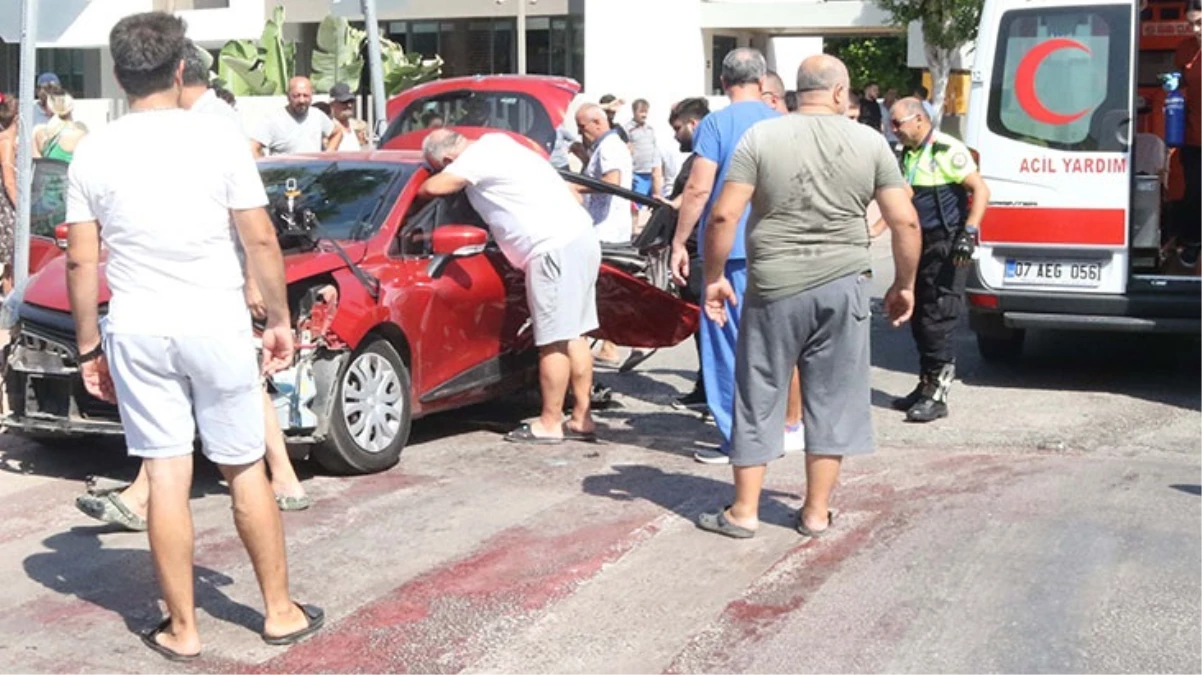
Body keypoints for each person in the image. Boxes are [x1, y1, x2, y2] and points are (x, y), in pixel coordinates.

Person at [64, 12, 322, 659]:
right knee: (243, 467)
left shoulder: (93, 149)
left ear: (121, 76)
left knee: (167, 472)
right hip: (215, 322)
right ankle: (279, 610)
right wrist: (279, 319)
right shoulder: (218, 140)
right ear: (181, 69)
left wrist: (89, 345)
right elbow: (260, 237)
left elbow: (80, 260)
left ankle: (182, 628)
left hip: (140, 328)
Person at [695, 54, 921, 540]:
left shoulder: (762, 137)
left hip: (773, 285)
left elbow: (722, 215)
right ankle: (815, 513)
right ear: (841, 93)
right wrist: (903, 285)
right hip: (844, 285)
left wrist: (714, 277)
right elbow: (904, 220)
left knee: (758, 394)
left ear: (797, 93)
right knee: (832, 398)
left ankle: (744, 512)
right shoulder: (870, 142)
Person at [418, 129, 600, 444]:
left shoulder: (473, 160)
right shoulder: (497, 142)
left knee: (553, 340)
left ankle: (550, 422)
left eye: (441, 165)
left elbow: (434, 187)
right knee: (576, 333)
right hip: (580, 236)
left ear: (447, 159)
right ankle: (582, 417)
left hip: (550, 249)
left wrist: (424, 182)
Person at [669, 47, 779, 465]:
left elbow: (698, 190)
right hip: (775, 248)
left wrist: (681, 242)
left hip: (729, 251)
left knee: (726, 346)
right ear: (763, 80)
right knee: (770, 346)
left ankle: (739, 439)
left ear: (723, 82)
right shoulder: (781, 123)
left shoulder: (715, 124)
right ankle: (774, 429)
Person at [882, 97, 991, 423]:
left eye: (898, 123)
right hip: (919, 243)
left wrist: (968, 233)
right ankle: (926, 383)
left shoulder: (946, 149)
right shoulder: (909, 153)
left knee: (938, 318)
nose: (893, 129)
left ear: (919, 120)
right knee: (917, 316)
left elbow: (981, 190)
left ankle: (938, 395)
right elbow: (908, 197)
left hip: (948, 244)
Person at [250, 76, 342, 157]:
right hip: (286, 175)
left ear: (311, 96)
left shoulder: (317, 115)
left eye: (306, 96)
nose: (301, 100)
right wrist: (264, 171)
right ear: (288, 96)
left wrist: (327, 156)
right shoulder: (273, 120)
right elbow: (253, 147)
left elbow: (337, 133)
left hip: (314, 174)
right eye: (296, 96)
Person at [1175, 0, 1202, 250]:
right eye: (1191, 24)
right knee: (1194, 193)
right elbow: (1177, 85)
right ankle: (1192, 243)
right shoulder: (1185, 50)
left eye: (1200, 23)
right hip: (1194, 138)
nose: (1196, 30)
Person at [33, 92, 88, 163]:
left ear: (49, 109)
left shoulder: (40, 133)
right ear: (71, 108)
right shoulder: (80, 134)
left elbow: (37, 163)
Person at [625, 99, 663, 198]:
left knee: (655, 202)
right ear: (634, 111)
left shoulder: (650, 129)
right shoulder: (628, 129)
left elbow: (654, 147)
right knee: (638, 203)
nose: (644, 115)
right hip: (637, 174)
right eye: (641, 112)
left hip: (651, 173)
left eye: (646, 112)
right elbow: (625, 152)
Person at [0, 94, 16, 295]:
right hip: (4, 206)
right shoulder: (5, 142)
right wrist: (23, 208)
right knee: (10, 259)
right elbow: (9, 180)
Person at [329, 82, 370, 151]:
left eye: (351, 101)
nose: (349, 105)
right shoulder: (329, 128)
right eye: (344, 102)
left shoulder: (358, 127)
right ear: (332, 104)